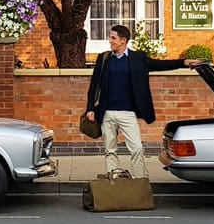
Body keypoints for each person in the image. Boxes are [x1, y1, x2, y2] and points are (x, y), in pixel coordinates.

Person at [85, 24, 202, 178]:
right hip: (106, 113)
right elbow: (94, 84)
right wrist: (90, 108)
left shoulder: (137, 58)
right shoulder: (104, 58)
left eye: (113, 38)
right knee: (110, 150)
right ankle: (112, 183)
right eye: (110, 37)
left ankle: (141, 181)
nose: (110, 41)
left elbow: (160, 65)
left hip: (127, 113)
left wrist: (183, 62)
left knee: (136, 149)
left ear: (123, 40)